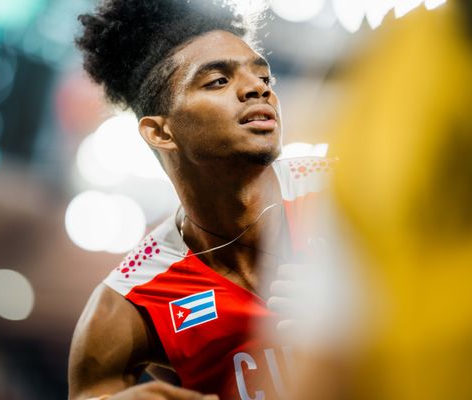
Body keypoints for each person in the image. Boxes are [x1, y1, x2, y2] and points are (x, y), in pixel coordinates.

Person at [68, 1, 332, 399]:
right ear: (160, 132)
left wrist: (368, 306)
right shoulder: (131, 302)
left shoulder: (345, 192)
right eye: (218, 81)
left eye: (264, 76)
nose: (258, 88)